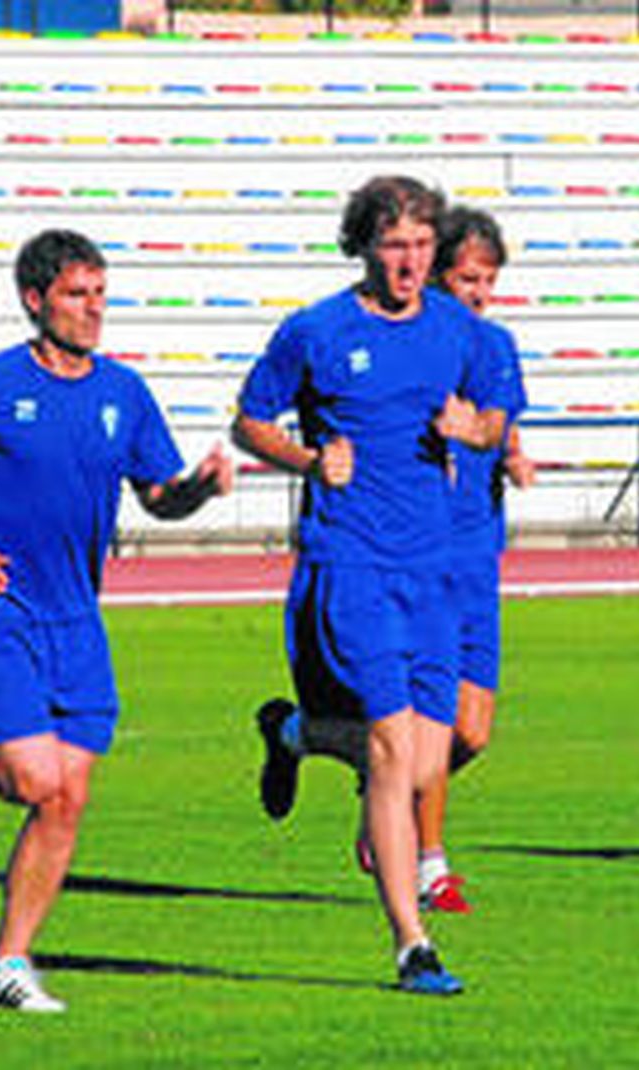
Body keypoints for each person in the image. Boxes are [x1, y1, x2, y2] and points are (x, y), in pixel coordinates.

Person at [0, 228, 233, 1012]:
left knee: (67, 797)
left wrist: (197, 487)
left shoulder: (124, 392)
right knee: (31, 778)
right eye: (75, 295)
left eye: (99, 294)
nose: (93, 310)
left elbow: (158, 496)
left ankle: (7, 965)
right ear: (35, 301)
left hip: (78, 620)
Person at [233, 177, 511, 996]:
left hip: (435, 571)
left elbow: (497, 414)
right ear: (364, 245)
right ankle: (411, 944)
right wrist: (309, 458)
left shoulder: (463, 331)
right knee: (394, 750)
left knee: (426, 756)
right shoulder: (316, 330)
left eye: (424, 246)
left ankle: (294, 735)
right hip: (348, 561)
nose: (411, 261)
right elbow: (249, 418)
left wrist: (478, 428)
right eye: (395, 245)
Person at [413, 205, 534, 912]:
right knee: (433, 720)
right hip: (415, 559)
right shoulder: (406, 347)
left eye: (488, 279)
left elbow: (501, 416)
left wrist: (509, 450)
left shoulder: (496, 345)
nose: (480, 292)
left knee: (473, 732)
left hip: (476, 555)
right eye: (467, 277)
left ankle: (385, 786)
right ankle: (430, 865)